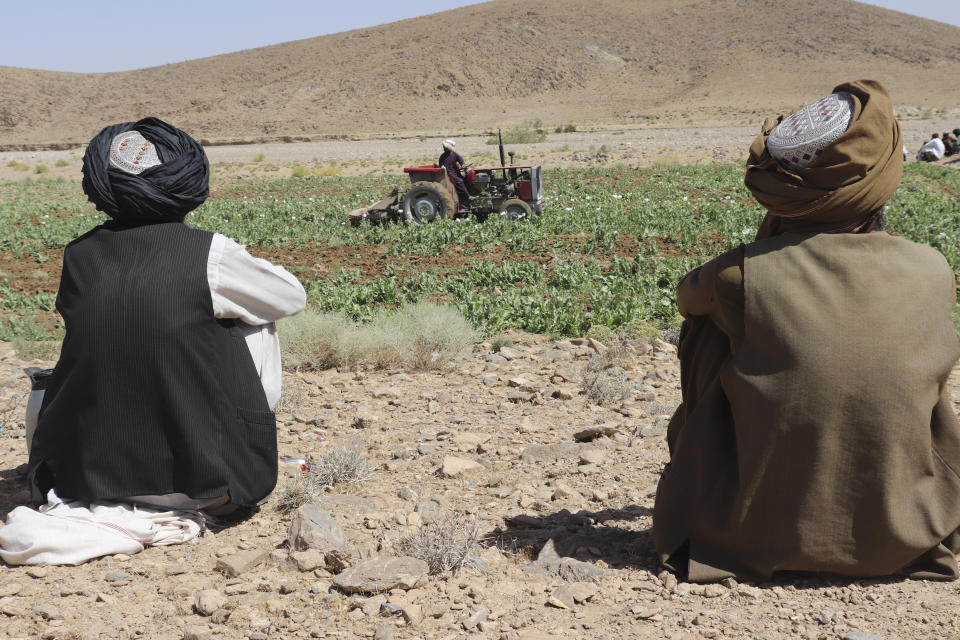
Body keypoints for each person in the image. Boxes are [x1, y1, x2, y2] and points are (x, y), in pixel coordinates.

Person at [653, 80, 960, 583]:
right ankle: (910, 499)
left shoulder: (739, 275)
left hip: (748, 539)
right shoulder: (932, 267)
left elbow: (687, 297)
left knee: (707, 327)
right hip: (907, 537)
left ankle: (710, 499)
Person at [25, 117, 306, 517]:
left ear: (101, 188)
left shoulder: (78, 256)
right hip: (203, 486)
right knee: (255, 317)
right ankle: (240, 448)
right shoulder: (209, 254)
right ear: (187, 185)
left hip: (86, 482)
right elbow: (291, 296)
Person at [437, 138, 470, 210]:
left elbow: (461, 161)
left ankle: (463, 198)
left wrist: (463, 165)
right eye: (444, 147)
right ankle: (468, 196)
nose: (443, 148)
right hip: (449, 174)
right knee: (460, 182)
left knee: (466, 181)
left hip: (456, 173)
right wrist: (442, 167)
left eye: (444, 147)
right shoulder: (442, 156)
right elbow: (440, 165)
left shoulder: (455, 155)